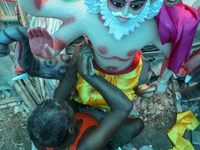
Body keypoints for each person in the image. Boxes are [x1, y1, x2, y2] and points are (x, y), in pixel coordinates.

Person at [17, 0, 200, 109]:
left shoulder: (150, 25)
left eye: (136, 5)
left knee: (126, 98)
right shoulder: (85, 14)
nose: (125, 13)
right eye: (117, 3)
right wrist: (49, 51)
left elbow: (173, 54)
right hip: (92, 68)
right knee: (87, 98)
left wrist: (161, 81)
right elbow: (37, 8)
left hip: (129, 73)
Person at [27, 40, 144, 150]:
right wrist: (88, 74)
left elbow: (59, 99)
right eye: (66, 107)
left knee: (66, 100)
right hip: (98, 139)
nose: (63, 101)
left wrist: (74, 62)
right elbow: (124, 106)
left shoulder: (40, 139)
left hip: (81, 123)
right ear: (71, 128)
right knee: (137, 124)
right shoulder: (87, 145)